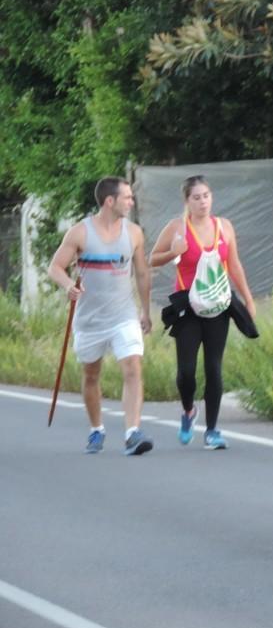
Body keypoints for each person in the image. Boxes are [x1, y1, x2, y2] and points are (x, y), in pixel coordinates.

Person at [47, 176, 153, 455]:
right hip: (89, 319)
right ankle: (97, 429)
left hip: (124, 314)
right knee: (91, 374)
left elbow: (142, 272)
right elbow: (55, 267)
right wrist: (69, 285)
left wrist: (146, 310)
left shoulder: (134, 233)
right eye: (127, 197)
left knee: (132, 366)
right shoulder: (79, 233)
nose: (131, 202)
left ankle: (133, 433)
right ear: (110, 201)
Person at [148, 175, 256, 450]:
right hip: (188, 304)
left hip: (218, 304)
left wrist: (248, 299)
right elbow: (153, 259)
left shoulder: (224, 227)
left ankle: (212, 430)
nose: (202, 202)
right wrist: (173, 251)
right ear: (187, 201)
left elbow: (234, 265)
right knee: (186, 372)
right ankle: (188, 411)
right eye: (196, 197)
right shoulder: (177, 228)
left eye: (206, 196)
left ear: (212, 197)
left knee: (214, 368)